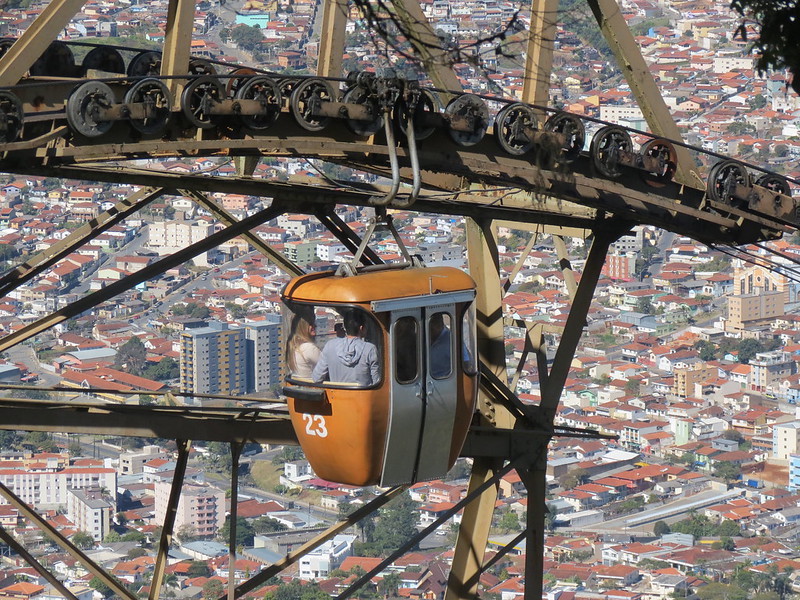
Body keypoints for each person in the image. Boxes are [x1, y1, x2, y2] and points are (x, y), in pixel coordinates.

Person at [313, 310, 380, 386]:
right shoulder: (370, 349)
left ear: (344, 327)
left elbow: (316, 378)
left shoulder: (330, 346)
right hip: (363, 396)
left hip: (335, 396)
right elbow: (376, 383)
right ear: (361, 328)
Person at [286, 315, 320, 379]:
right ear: (302, 327)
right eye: (310, 324)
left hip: (299, 386)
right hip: (312, 387)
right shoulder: (309, 348)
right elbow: (327, 366)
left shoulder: (293, 347)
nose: (315, 326)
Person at [429, 312, 452, 378]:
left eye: (432, 328)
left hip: (443, 380)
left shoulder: (451, 339)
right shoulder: (427, 336)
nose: (430, 331)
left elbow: (466, 361)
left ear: (440, 325)